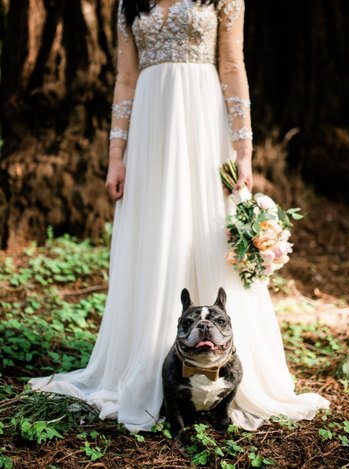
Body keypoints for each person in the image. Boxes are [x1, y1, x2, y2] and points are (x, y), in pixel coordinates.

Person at [30, 0, 329, 431]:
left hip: (205, 128)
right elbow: (126, 78)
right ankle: (150, 361)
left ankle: (220, 366)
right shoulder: (129, 3)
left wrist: (244, 151)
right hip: (151, 133)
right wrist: (116, 155)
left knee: (208, 233)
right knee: (156, 239)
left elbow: (231, 67)